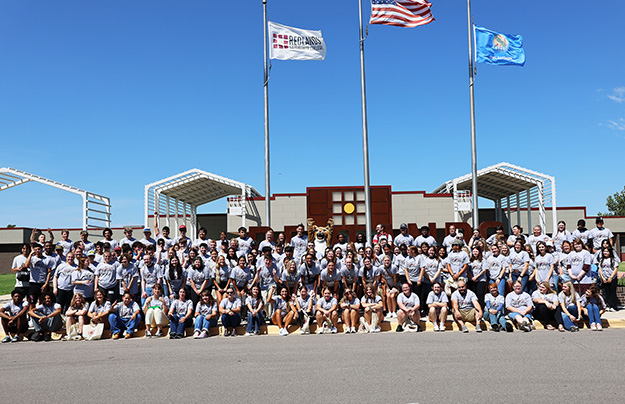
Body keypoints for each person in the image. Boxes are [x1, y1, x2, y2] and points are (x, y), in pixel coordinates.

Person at [596, 247, 619, 311]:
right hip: (604, 278)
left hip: (612, 278)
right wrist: (602, 277)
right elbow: (600, 269)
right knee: (606, 292)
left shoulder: (613, 259)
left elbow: (616, 268)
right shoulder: (601, 260)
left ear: (610, 252)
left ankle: (613, 306)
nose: (605, 253)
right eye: (604, 251)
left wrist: (611, 277)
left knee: (612, 292)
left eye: (607, 251)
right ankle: (607, 305)